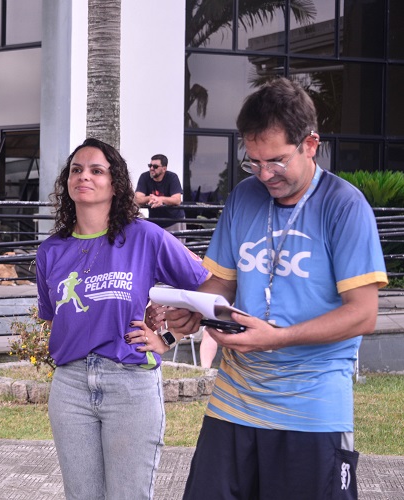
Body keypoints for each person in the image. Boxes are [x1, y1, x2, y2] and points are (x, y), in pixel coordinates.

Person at [166, 77, 388, 499]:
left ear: (310, 144)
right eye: (253, 162)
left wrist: (277, 338)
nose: (265, 174)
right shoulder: (243, 197)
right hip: (234, 401)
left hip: (311, 408)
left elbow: (363, 314)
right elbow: (221, 284)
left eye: (277, 161)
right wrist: (194, 310)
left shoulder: (344, 206)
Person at [35, 138, 209, 500]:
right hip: (70, 388)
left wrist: (169, 336)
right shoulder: (50, 251)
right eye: (76, 170)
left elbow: (206, 287)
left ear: (115, 184)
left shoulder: (144, 237)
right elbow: (54, 320)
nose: (84, 176)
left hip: (129, 383)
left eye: (96, 170)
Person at [134, 154, 186, 238]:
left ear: (164, 169)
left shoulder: (172, 177)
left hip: (174, 221)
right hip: (155, 222)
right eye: (150, 165)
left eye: (155, 166)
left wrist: (160, 199)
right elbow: (137, 199)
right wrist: (150, 198)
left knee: (175, 246)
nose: (151, 168)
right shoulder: (144, 177)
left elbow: (177, 200)